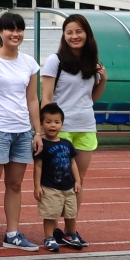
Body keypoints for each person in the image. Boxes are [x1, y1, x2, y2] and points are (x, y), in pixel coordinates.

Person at [0, 12, 43, 254]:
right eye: (10, 29)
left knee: (15, 185)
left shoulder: (29, 63)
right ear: (0, 32)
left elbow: (32, 99)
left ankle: (12, 233)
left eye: (19, 29)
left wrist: (37, 131)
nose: (15, 34)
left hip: (22, 131)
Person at [41, 13, 104, 245]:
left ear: (87, 34)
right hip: (61, 130)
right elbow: (46, 97)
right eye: (69, 32)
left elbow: (90, 98)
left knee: (79, 181)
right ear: (64, 35)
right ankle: (50, 233)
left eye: (79, 31)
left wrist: (102, 81)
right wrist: (42, 131)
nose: (74, 36)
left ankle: (70, 231)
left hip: (86, 127)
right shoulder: (55, 61)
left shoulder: (92, 62)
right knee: (57, 180)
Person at [33, 103, 83, 252]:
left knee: (71, 213)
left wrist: (78, 181)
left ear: (62, 123)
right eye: (48, 122)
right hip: (50, 187)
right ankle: (49, 237)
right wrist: (37, 186)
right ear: (41, 124)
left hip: (68, 186)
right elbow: (38, 166)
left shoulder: (67, 144)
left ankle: (71, 234)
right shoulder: (41, 145)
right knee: (50, 214)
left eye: (57, 122)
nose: (52, 125)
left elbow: (73, 163)